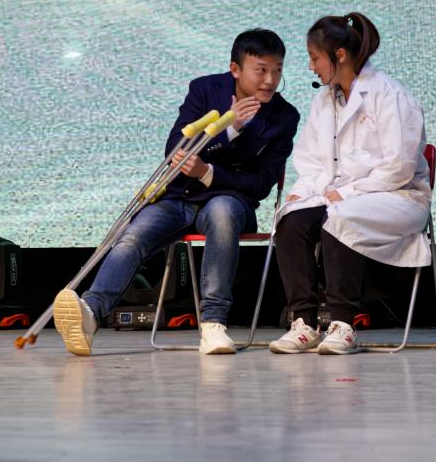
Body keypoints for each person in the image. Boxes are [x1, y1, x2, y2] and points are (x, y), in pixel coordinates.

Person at [54, 29, 300, 356]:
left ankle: (213, 324)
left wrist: (208, 173)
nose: (270, 80)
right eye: (261, 70)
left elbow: (261, 184)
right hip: (180, 196)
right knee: (135, 234)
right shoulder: (205, 89)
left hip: (230, 201)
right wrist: (230, 130)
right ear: (235, 69)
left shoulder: (284, 116)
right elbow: (175, 148)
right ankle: (90, 313)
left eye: (278, 70)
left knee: (222, 213)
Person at [268, 13, 431, 355]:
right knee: (290, 220)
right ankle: (304, 323)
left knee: (341, 217)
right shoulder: (324, 100)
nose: (311, 67)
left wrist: (347, 192)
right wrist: (300, 193)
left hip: (397, 197)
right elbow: (312, 160)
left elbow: (399, 166)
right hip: (335, 196)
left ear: (339, 55)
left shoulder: (389, 94)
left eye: (315, 58)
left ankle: (343, 324)